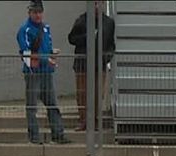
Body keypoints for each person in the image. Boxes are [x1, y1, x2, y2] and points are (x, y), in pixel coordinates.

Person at [17, 0, 71, 145]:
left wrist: (51, 53)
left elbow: (46, 48)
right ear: (30, 13)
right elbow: (26, 52)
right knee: (32, 106)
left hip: (47, 71)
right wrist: (47, 58)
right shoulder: (25, 30)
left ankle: (58, 134)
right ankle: (34, 137)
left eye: (40, 12)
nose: (38, 15)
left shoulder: (46, 28)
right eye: (35, 12)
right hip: (33, 72)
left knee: (52, 104)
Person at [68, 0, 116, 131]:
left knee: (97, 93)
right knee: (82, 93)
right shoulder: (82, 20)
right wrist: (86, 37)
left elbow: (111, 44)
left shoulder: (109, 23)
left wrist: (107, 57)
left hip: (99, 65)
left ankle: (94, 120)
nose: (96, 6)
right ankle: (83, 120)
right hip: (82, 65)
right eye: (94, 3)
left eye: (99, 3)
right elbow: (71, 38)